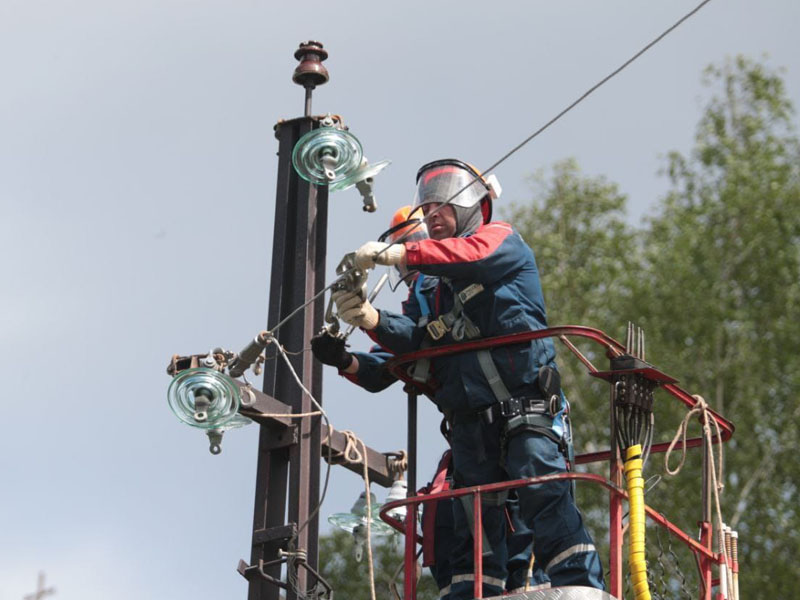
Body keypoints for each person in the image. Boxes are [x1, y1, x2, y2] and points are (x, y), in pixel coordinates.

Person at [331, 159, 604, 598]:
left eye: (444, 201)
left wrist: (402, 252)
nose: (433, 211)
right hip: (472, 422)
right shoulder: (435, 288)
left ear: (476, 203)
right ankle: (476, 592)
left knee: (540, 487)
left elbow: (472, 255)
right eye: (428, 203)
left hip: (526, 405)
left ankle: (580, 586)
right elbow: (418, 340)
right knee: (474, 516)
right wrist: (370, 318)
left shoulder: (501, 243)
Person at [312, 205, 545, 596]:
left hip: (517, 419)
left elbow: (421, 337)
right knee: (450, 513)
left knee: (519, 513)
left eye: (414, 245)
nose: (409, 260)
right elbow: (394, 363)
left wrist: (377, 319)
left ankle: (530, 585)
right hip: (471, 432)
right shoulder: (421, 302)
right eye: (401, 250)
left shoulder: (469, 276)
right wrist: (346, 359)